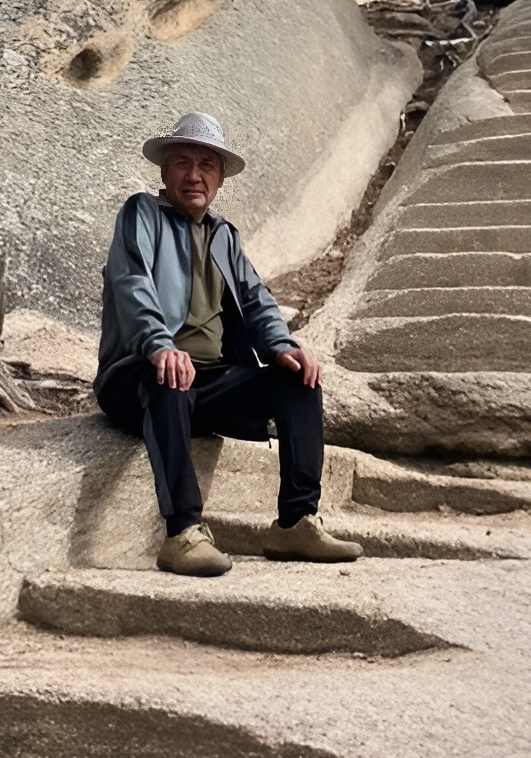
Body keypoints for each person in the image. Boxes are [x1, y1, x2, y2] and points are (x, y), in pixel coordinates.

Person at [95, 112, 361, 577]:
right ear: (165, 172)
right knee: (170, 379)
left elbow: (256, 299)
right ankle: (183, 534)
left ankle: (295, 523)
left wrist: (282, 346)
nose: (194, 175)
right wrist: (159, 345)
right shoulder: (142, 213)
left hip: (208, 383)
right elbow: (131, 282)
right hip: (138, 374)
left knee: (298, 381)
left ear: (219, 179)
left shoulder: (223, 235)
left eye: (206, 165)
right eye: (182, 163)